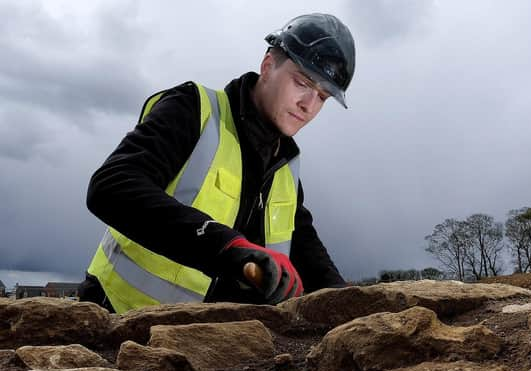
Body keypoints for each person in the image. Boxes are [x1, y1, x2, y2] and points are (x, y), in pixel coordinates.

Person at [79, 13, 356, 313]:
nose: (309, 105)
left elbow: (305, 247)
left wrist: (346, 303)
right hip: (117, 318)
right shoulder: (193, 110)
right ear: (267, 67)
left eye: (323, 97)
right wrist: (225, 246)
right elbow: (111, 187)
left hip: (201, 342)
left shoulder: (285, 166)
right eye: (302, 83)